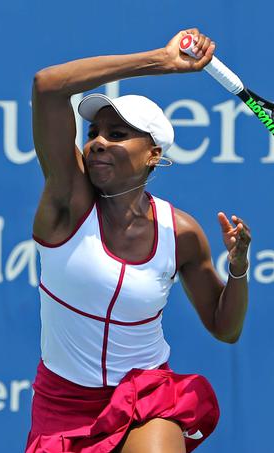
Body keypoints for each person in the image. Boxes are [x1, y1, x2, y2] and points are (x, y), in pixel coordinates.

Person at [26, 28, 251, 453]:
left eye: (117, 134)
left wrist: (238, 267)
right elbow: (48, 85)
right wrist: (160, 62)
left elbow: (225, 327)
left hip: (145, 397)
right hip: (63, 405)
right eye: (94, 132)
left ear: (154, 154)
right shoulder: (68, 204)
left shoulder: (180, 232)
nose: (97, 144)